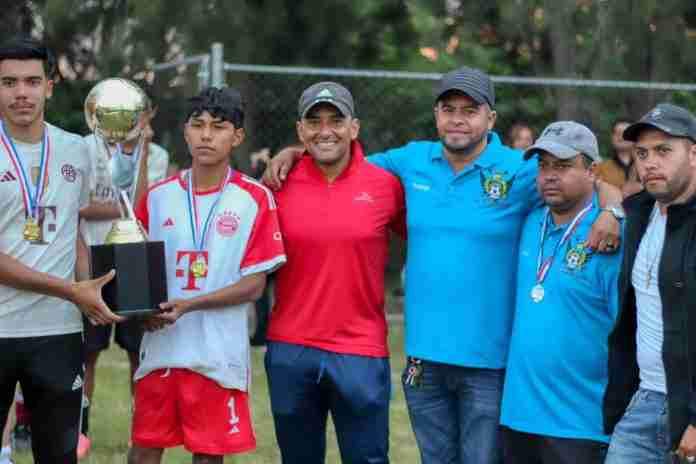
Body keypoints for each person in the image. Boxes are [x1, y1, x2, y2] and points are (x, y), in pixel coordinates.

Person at [264, 67, 623, 464]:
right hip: (424, 360)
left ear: (491, 119)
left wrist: (613, 208)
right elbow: (339, 157)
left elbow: (586, 178)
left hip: (489, 363)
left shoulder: (522, 168)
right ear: (436, 114)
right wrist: (293, 152)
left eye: (470, 110)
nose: (457, 118)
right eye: (448, 108)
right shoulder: (410, 160)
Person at [128, 86, 286, 464]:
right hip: (162, 349)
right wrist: (140, 309)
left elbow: (254, 285)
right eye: (197, 125)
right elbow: (134, 254)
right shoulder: (159, 195)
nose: (206, 135)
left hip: (218, 355)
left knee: (208, 457)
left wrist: (190, 305)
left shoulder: (254, 198)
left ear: (237, 136)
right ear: (185, 132)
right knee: (142, 454)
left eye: (218, 127)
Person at [264, 82, 405, 464]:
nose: (325, 131)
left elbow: (425, 241)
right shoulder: (276, 184)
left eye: (335, 120)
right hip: (291, 347)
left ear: (354, 127)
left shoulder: (386, 185)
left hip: (360, 349)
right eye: (314, 122)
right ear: (300, 131)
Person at [0, 37, 121, 464]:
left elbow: (72, 228)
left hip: (58, 334)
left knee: (59, 457)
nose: (21, 93)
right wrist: (70, 290)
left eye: (32, 81)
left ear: (50, 86)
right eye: (9, 82)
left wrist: (87, 286)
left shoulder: (76, 149)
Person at [501, 121, 622, 464]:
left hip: (581, 423)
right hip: (518, 417)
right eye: (543, 166)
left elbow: (628, 331)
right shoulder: (528, 221)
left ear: (592, 171)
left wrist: (613, 210)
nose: (550, 175)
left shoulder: (610, 236)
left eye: (564, 166)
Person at [78, 80, 170, 458]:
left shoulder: (159, 154)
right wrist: (121, 209)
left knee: (138, 353)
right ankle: (80, 429)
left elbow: (145, 204)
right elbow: (79, 207)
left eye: (142, 109)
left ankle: (141, 430)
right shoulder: (86, 147)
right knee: (88, 354)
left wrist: (143, 150)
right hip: (92, 261)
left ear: (150, 114)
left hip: (135, 263)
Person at [603, 103, 696, 464]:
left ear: (692, 154)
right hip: (644, 402)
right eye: (641, 153)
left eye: (663, 151)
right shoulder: (639, 213)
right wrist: (610, 212)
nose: (649, 163)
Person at [596, 117, 643, 197]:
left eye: (625, 133)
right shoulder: (601, 168)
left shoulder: (647, 165)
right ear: (612, 137)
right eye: (617, 133)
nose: (620, 136)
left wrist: (643, 189)